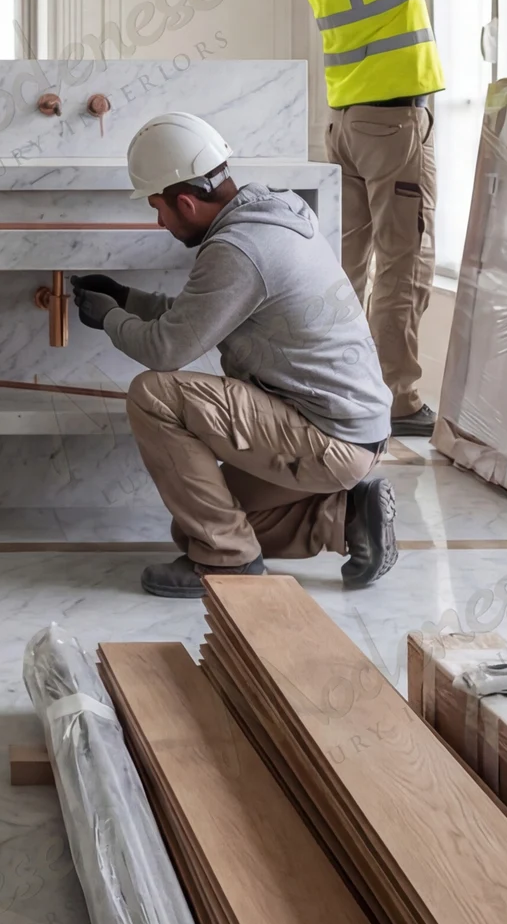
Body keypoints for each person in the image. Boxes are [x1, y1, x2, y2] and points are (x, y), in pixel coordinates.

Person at [74, 111, 398, 599]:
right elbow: (201, 312)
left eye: (158, 208)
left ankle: (227, 565)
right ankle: (346, 518)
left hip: (328, 437)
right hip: (354, 431)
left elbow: (166, 349)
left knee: (153, 394)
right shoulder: (269, 215)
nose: (158, 221)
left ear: (185, 201)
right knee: (198, 528)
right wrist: (126, 297)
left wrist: (109, 320)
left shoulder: (238, 249)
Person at [297, 0, 453, 437]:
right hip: (393, 124)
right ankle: (401, 398)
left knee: (347, 262)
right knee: (403, 260)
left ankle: (331, 386)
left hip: (346, 128)